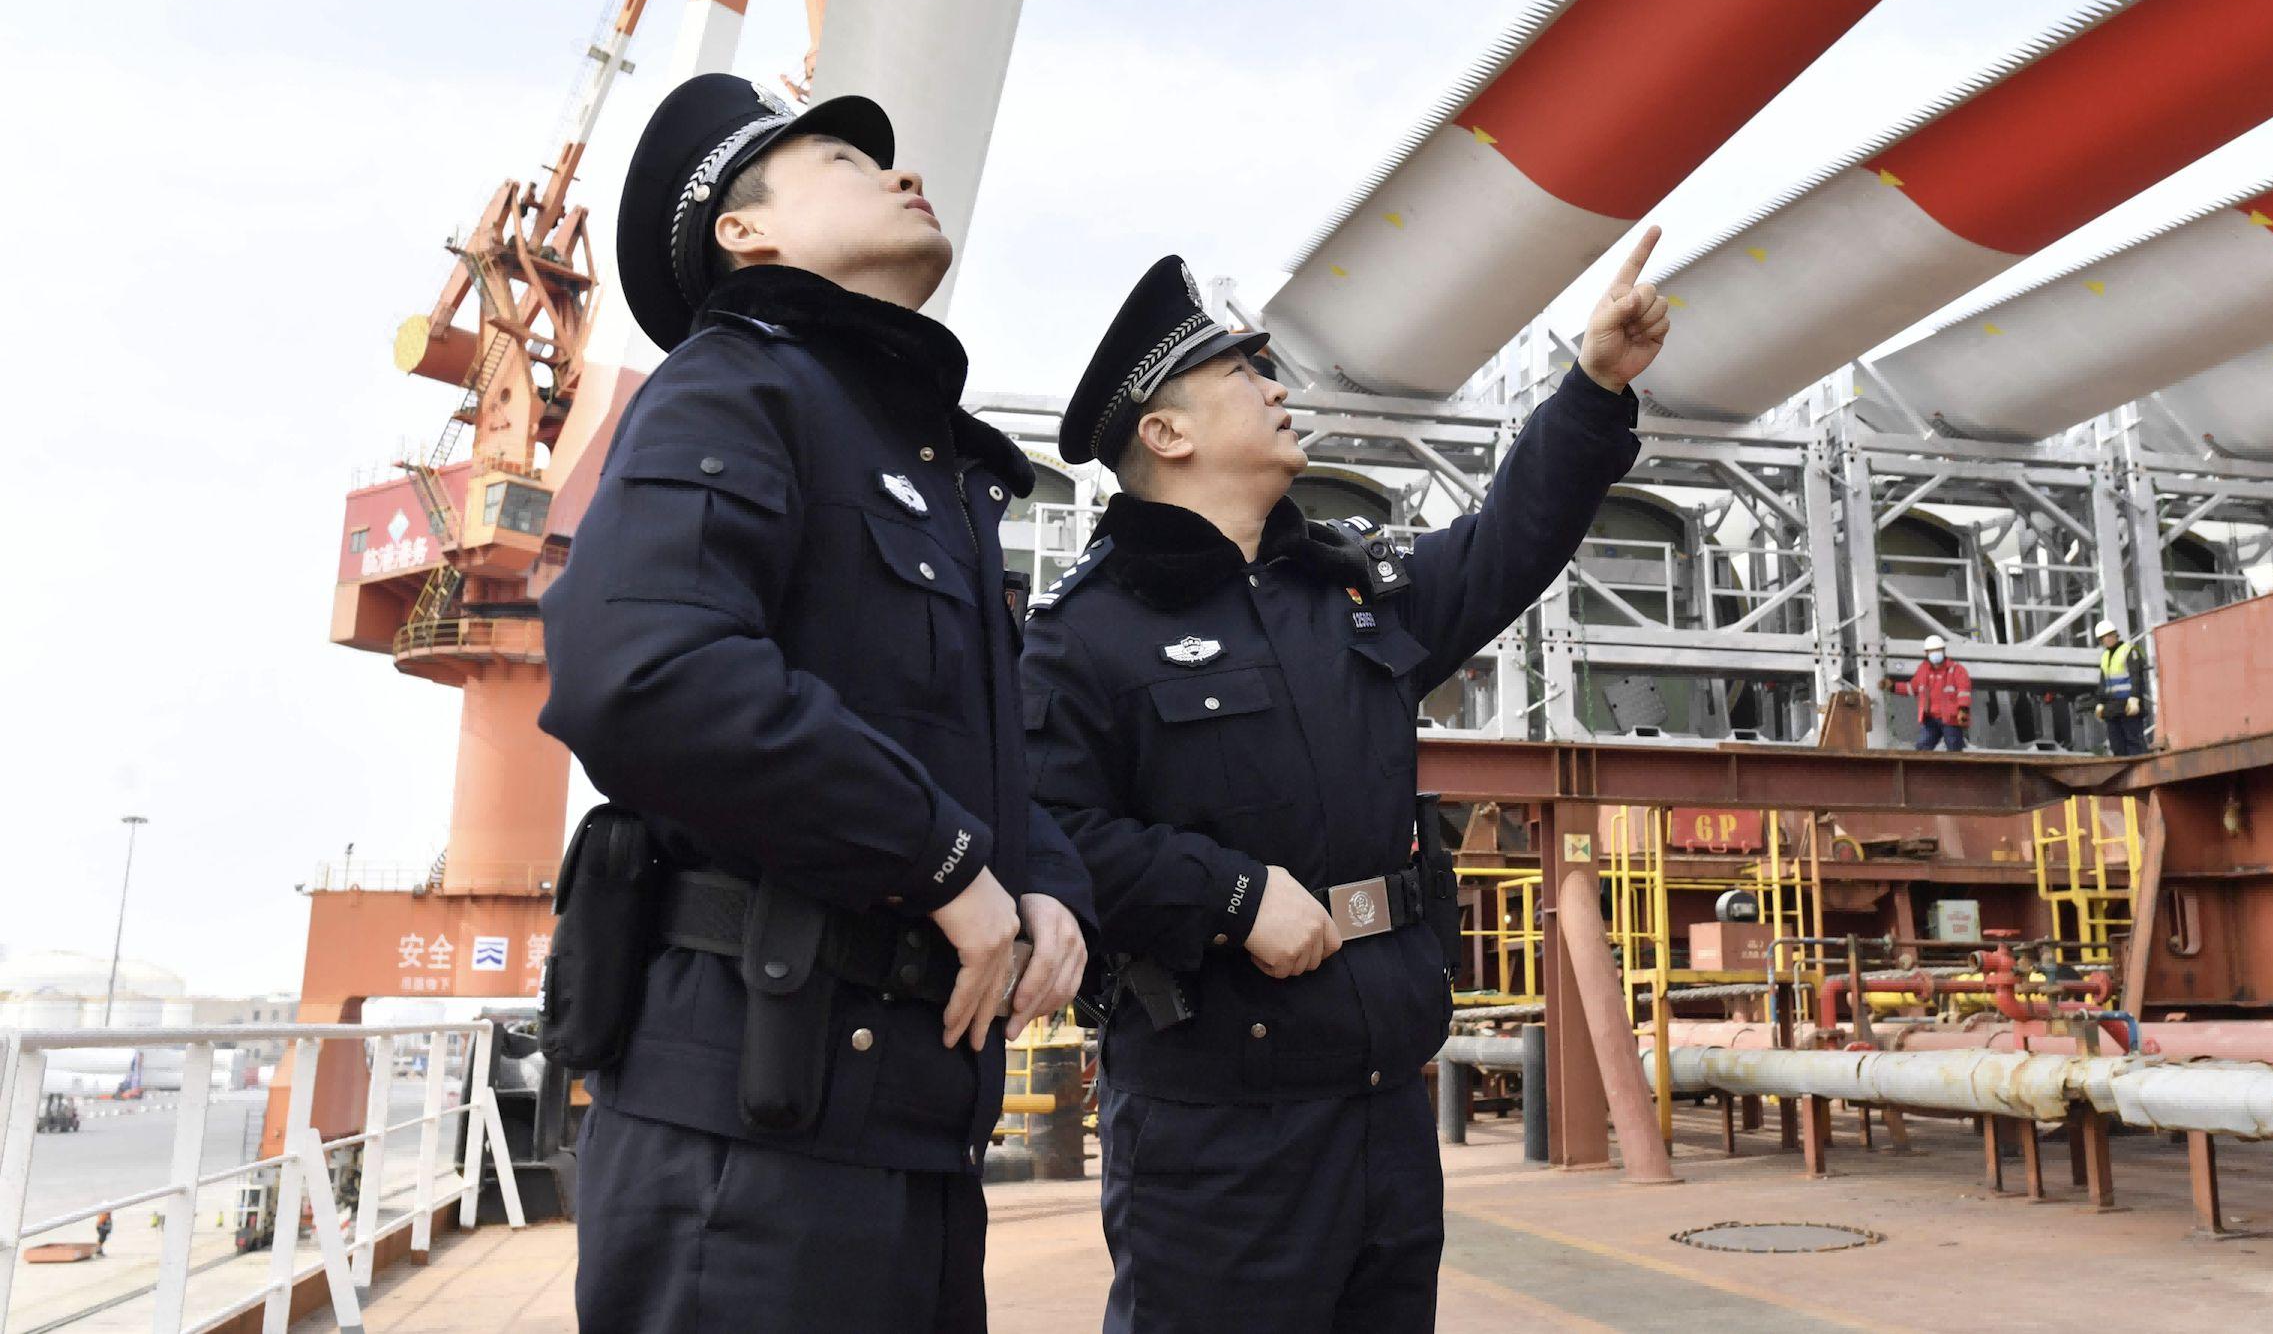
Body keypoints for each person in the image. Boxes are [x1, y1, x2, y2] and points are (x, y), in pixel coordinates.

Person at [1024, 232, 1671, 1334]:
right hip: (1217, 1131)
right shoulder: (1087, 634)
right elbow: (1045, 829)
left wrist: (1595, 385)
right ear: (1167, 433)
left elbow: (1508, 543)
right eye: (1243, 373)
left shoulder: (1347, 591)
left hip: (1381, 1106)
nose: (1276, 388)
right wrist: (1230, 897)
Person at [537, 72, 1094, 1334]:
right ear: (745, 231)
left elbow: (980, 751)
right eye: (845, 161)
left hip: (913, 1126)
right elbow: (647, 671)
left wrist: (1053, 887)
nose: (904, 174)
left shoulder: (931, 471)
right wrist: (939, 859)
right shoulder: (734, 387)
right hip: (749, 1141)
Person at [1884, 636, 1973, 751]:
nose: (1935, 654)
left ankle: (1955, 763)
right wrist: (1893, 687)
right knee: (1923, 748)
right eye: (1932, 651)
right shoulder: (1923, 671)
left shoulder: (1956, 670)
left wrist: (1963, 709)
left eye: (1938, 650)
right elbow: (1912, 688)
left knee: (1954, 748)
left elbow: (1964, 690)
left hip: (1951, 719)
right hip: (1930, 718)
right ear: (1926, 653)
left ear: (1944, 651)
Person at [2095, 621, 2152, 756]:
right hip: (2112, 708)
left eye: (2110, 635)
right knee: (2117, 746)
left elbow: (2136, 676)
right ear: (2101, 640)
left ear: (2116, 634)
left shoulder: (2129, 650)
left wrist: (2134, 698)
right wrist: (2100, 703)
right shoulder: (2105, 657)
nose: (2108, 639)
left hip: (2128, 706)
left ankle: (2140, 767)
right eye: (2104, 637)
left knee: (2134, 743)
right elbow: (2103, 683)